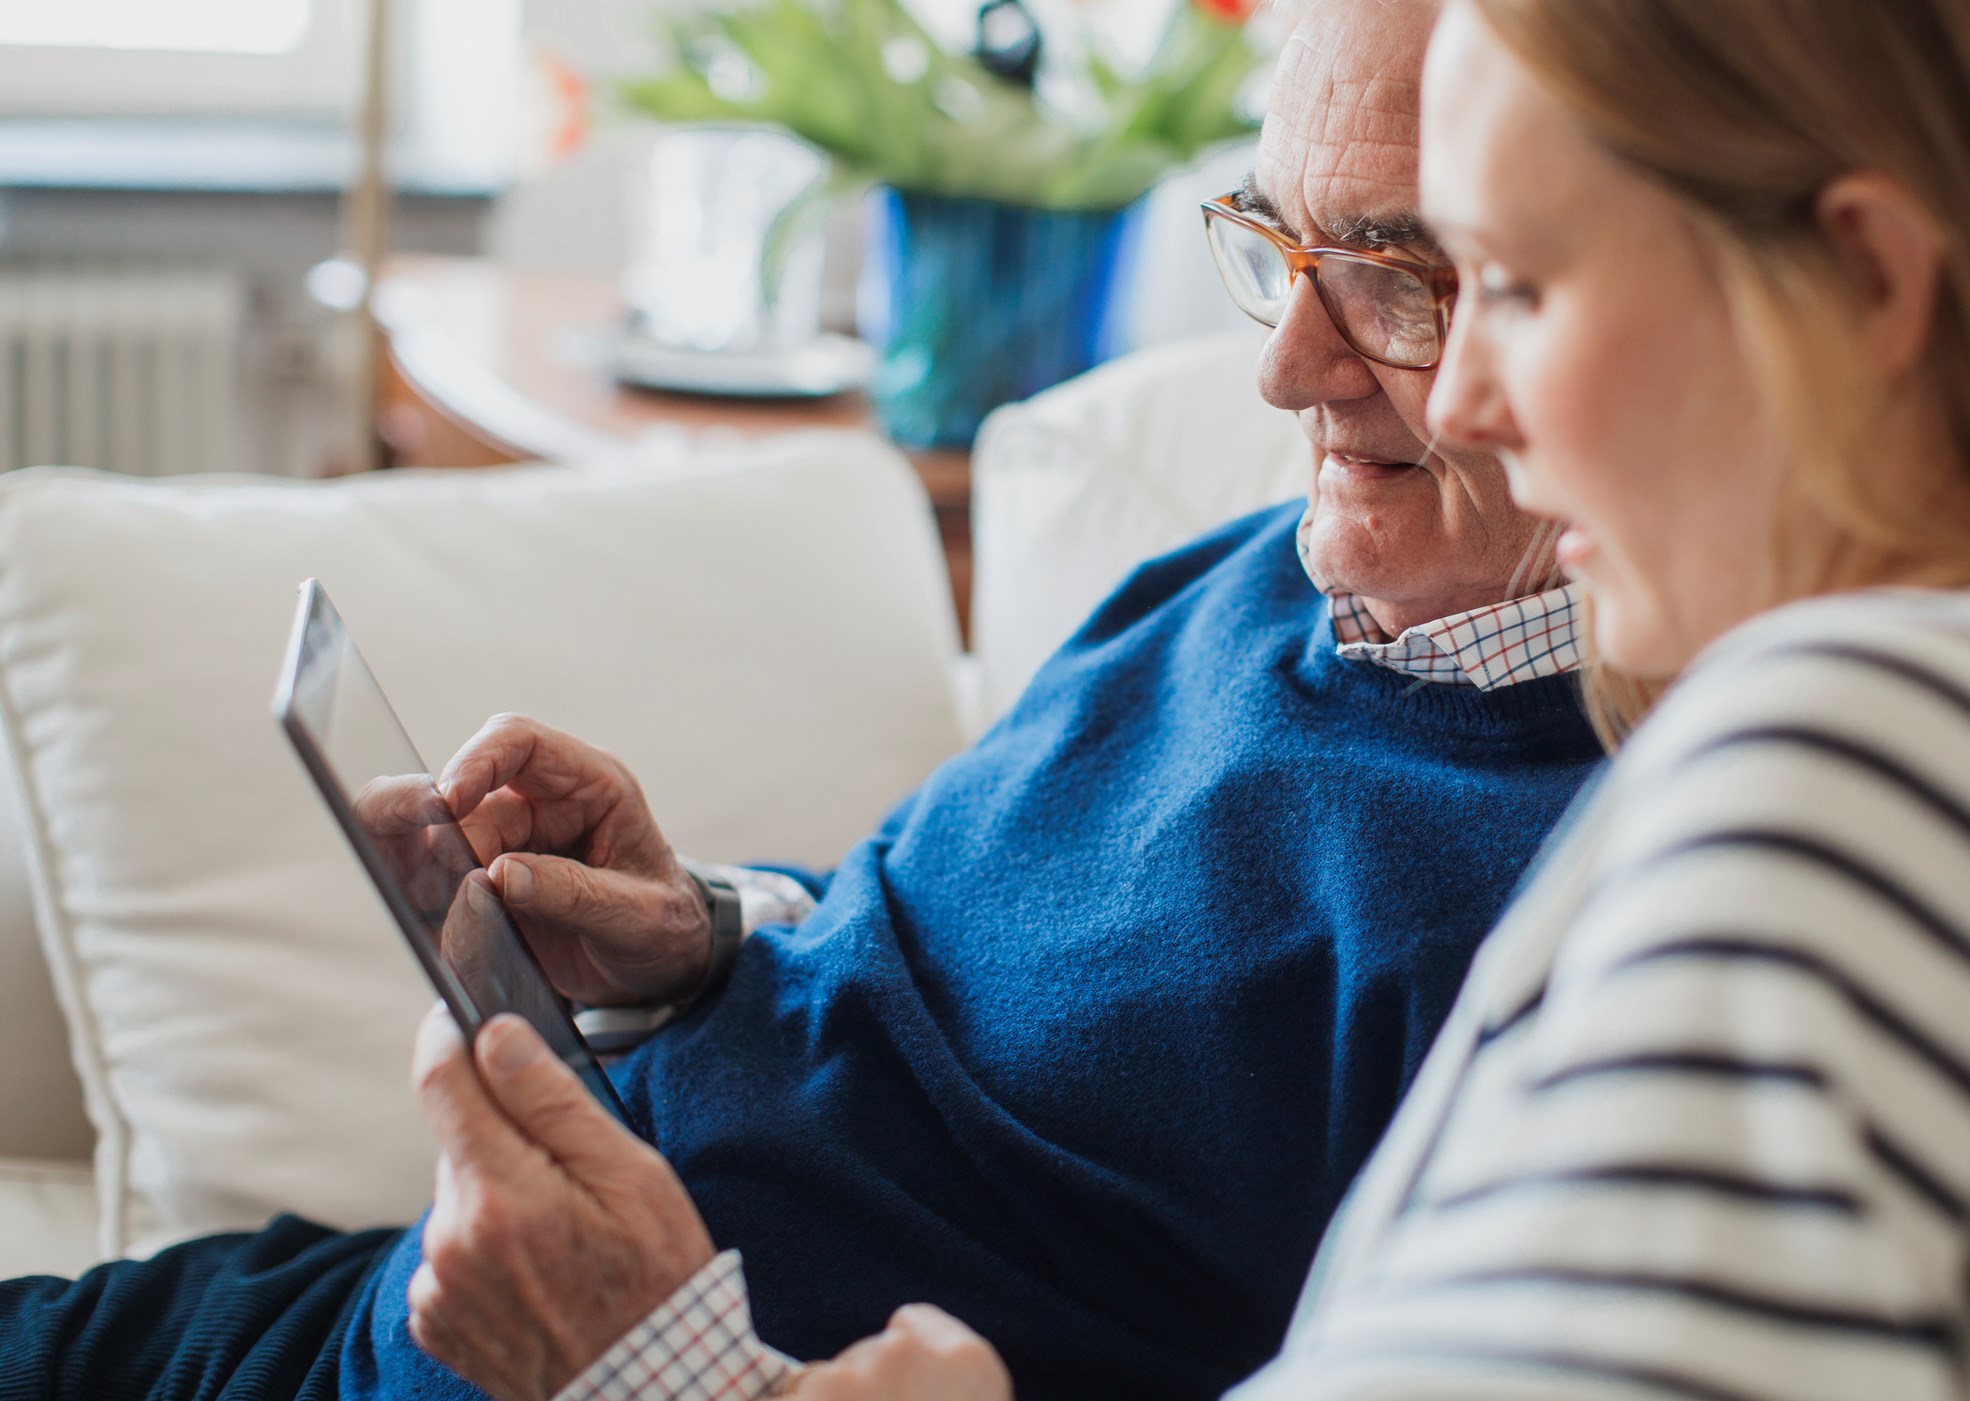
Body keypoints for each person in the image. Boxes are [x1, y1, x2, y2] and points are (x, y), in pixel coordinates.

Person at [546, 0, 1970, 1394]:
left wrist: (672, 1378)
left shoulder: (1897, 772)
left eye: (1516, 285)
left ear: (1862, 287)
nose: (1467, 398)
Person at [0, 4, 1606, 1400]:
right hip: (370, 1305)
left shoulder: (1578, 908)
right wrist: (703, 935)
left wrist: (658, 1369)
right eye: (1276, 245)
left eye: (1397, 281)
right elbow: (940, 949)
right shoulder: (1261, 571)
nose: (1285, 367)